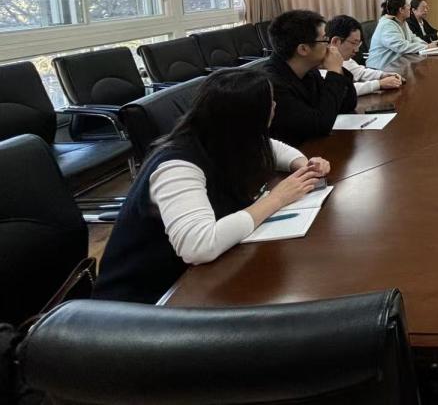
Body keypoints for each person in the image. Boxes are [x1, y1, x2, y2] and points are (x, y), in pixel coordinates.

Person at [93, 68, 331, 304]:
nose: (275, 106)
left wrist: (303, 164)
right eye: (270, 102)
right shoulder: (176, 167)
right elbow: (198, 247)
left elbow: (272, 147)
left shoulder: (223, 136)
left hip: (195, 280)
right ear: (248, 118)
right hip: (144, 302)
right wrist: (276, 199)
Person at [262, 9, 357, 146]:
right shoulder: (273, 85)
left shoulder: (309, 71)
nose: (330, 46)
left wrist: (339, 71)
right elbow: (319, 126)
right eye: (325, 40)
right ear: (303, 49)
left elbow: (346, 105)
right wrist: (334, 73)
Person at [326, 14, 404, 95]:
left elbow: (360, 72)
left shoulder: (343, 58)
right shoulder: (321, 63)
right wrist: (379, 84)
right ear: (335, 41)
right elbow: (341, 89)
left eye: (358, 44)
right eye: (353, 43)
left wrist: (383, 75)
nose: (356, 50)